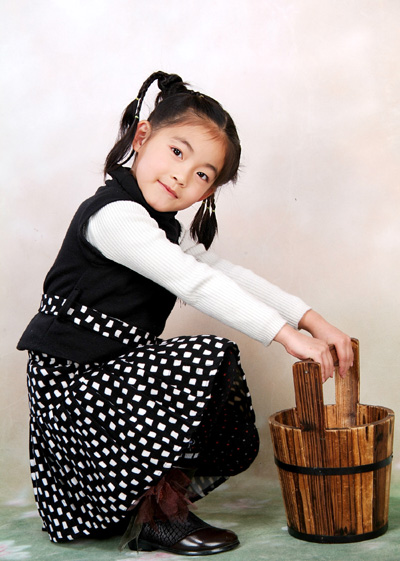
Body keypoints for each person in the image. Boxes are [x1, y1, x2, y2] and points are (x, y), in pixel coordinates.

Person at [18, 71, 353, 556]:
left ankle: (151, 505)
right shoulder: (114, 216)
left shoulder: (160, 226)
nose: (181, 176)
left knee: (211, 365)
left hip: (108, 375)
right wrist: (286, 336)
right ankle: (158, 517)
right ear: (142, 137)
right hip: (73, 383)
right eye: (177, 152)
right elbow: (194, 283)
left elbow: (223, 273)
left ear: (209, 192)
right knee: (206, 359)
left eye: (202, 174)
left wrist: (313, 322)